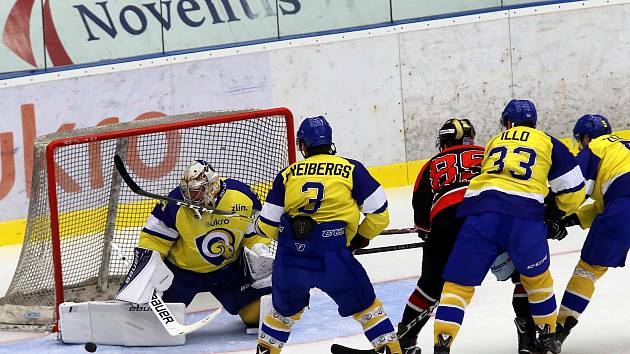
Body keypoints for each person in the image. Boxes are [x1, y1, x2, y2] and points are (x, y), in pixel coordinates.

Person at [432, 99, 586, 354]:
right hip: (524, 217)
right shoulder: (547, 142)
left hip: (480, 214)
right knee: (537, 280)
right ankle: (547, 339)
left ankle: (442, 344)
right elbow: (574, 189)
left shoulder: (495, 141)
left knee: (457, 286)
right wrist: (556, 214)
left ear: (508, 123)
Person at [255, 116, 402, 354]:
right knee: (368, 310)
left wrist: (293, 242)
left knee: (281, 315)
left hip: (290, 261)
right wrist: (359, 238)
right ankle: (390, 350)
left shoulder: (287, 174)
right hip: (333, 257)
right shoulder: (351, 168)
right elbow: (380, 215)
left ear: (303, 144)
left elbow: (268, 224)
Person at [400, 118, 540, 354]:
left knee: (430, 286)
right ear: (471, 138)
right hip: (491, 218)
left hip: (447, 223)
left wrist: (429, 232)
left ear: (443, 142)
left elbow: (421, 213)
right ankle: (527, 338)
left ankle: (405, 339)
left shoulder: (432, 163)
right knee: (524, 276)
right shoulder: (490, 153)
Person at [115, 160, 274, 333]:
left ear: (212, 187)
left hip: (229, 270)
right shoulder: (174, 204)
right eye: (187, 192)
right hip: (183, 274)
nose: (190, 198)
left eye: (196, 192)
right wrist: (148, 267)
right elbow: (154, 240)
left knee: (258, 314)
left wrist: (259, 250)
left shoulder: (241, 196)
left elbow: (256, 231)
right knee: (152, 323)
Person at [553, 114, 630, 346]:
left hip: (624, 204)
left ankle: (558, 331)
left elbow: (576, 189)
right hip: (620, 201)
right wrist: (572, 220)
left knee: (588, 269)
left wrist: (554, 216)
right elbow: (602, 205)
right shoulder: (623, 144)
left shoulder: (594, 147)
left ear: (586, 137)